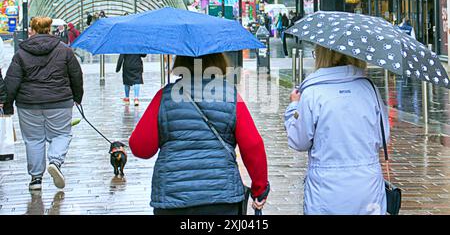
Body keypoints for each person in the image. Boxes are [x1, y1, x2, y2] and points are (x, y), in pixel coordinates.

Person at [129, 53, 270, 215]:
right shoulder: (230, 96)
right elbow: (253, 145)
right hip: (222, 198)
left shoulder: (165, 97)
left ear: (181, 61)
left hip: (173, 198)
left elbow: (141, 148)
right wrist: (260, 188)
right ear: (218, 62)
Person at [284, 45, 389, 215]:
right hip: (367, 188)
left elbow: (298, 141)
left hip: (325, 189)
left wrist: (293, 106)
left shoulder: (312, 92)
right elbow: (384, 135)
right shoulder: (370, 90)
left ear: (321, 55)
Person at [4, 16, 84, 191]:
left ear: (32, 30)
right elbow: (76, 76)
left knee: (33, 139)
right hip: (60, 101)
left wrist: (7, 104)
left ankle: (36, 179)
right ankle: (55, 161)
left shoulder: (21, 53)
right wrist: (77, 97)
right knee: (62, 134)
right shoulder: (65, 50)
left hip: (28, 103)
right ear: (49, 30)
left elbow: (11, 81)